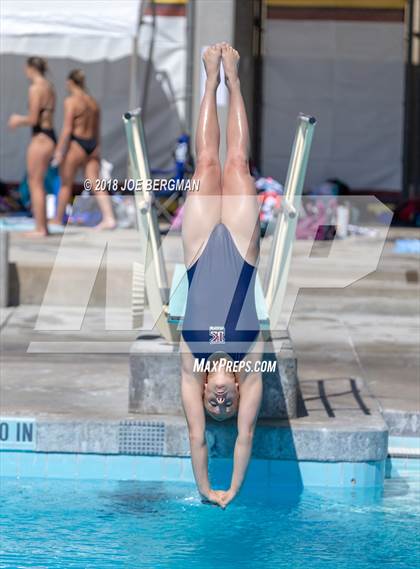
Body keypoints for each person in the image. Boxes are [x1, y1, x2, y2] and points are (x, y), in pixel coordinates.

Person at [180, 43, 263, 509]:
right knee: (237, 165)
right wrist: (233, 486)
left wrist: (205, 487)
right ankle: (233, 79)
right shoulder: (251, 368)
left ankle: (209, 80)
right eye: (223, 406)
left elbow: (197, 437)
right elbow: (244, 435)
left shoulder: (192, 366)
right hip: (241, 249)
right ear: (234, 390)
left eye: (216, 407)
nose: (220, 407)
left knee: (206, 165)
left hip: (197, 253)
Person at [52, 69, 116, 230]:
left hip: (77, 144)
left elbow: (67, 129)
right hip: (92, 145)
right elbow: (97, 129)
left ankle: (58, 219)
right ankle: (109, 218)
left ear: (70, 83)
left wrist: (59, 151)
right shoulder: (93, 102)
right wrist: (97, 147)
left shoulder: (71, 101)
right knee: (96, 183)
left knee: (66, 184)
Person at [8, 56, 56, 237]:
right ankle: (43, 226)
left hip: (41, 138)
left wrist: (17, 119)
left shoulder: (35, 88)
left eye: (26, 68)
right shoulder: (49, 87)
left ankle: (40, 227)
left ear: (31, 69)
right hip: (49, 136)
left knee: (34, 182)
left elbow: (33, 118)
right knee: (38, 182)